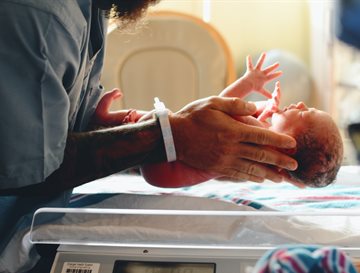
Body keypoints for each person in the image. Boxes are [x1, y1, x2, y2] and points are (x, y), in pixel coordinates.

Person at [0, 1, 298, 272]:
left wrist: (97, 127)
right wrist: (167, 136)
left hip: (38, 221)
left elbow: (46, 126)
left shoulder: (92, 9)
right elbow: (31, 166)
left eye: (305, 114)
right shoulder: (42, 16)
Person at [136, 56, 343, 188]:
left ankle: (115, 122)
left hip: (165, 165)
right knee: (144, 118)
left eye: (304, 114)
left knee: (149, 118)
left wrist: (248, 83)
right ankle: (112, 119)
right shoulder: (264, 155)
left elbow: (221, 107)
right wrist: (266, 112)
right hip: (164, 170)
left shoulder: (255, 139)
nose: (300, 104)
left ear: (289, 145)